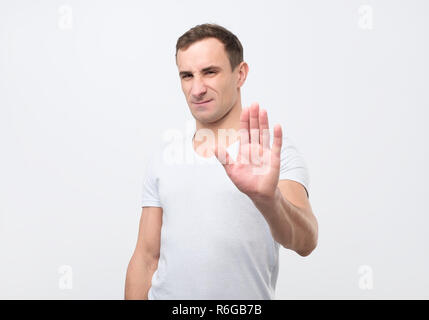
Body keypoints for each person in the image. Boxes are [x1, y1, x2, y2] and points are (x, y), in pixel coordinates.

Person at [124, 23, 318, 300]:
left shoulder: (274, 153)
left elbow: (306, 241)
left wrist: (268, 199)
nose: (197, 89)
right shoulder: (164, 159)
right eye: (187, 76)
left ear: (240, 74)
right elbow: (145, 259)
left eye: (210, 72)